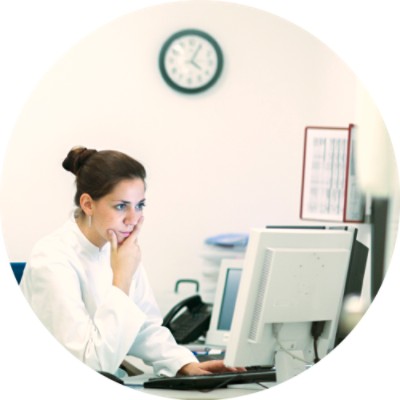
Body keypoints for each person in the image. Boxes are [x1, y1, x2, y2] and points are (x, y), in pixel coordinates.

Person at [20, 146, 243, 377]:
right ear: (88, 204)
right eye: (120, 206)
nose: (133, 219)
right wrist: (122, 278)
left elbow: (142, 326)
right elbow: (91, 365)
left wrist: (184, 363)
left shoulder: (116, 247)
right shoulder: (52, 259)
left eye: (139, 206)